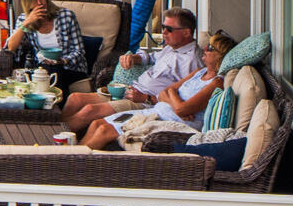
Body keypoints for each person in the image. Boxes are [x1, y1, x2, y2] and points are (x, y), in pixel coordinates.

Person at [80, 29, 231, 151]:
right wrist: (174, 97)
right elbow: (166, 93)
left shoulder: (216, 83)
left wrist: (172, 97)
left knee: (104, 130)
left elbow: (182, 110)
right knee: (97, 123)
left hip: (170, 122)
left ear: (221, 57)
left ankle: (71, 167)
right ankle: (67, 156)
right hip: (156, 112)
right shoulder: (199, 72)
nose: (205, 49)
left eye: (211, 48)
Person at [61, 8, 203, 133]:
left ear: (186, 33)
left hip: (143, 102)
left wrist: (147, 99)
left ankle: (53, 143)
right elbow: (151, 57)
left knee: (89, 110)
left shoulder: (192, 62)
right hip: (129, 91)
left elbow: (183, 99)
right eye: (163, 27)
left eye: (169, 29)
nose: (164, 32)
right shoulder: (171, 48)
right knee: (76, 98)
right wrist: (135, 58)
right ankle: (60, 134)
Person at [2, 0, 88, 85]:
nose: (40, 3)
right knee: (37, 76)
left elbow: (79, 51)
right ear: (27, 3)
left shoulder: (66, 16)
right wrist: (26, 23)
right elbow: (11, 47)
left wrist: (63, 61)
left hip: (70, 68)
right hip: (42, 69)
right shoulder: (24, 20)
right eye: (34, 0)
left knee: (52, 73)